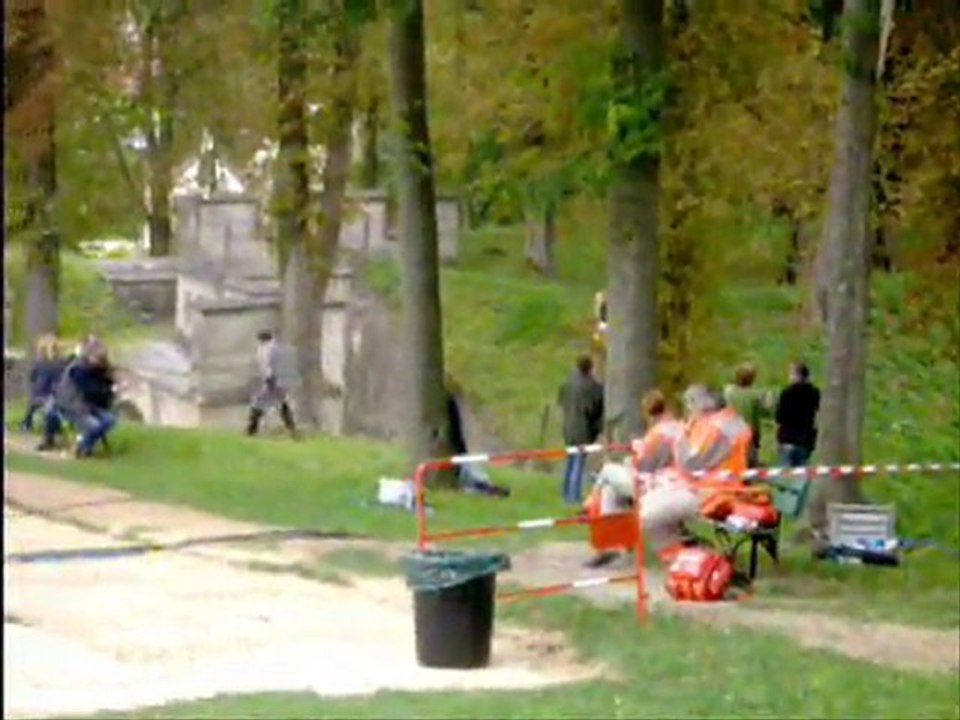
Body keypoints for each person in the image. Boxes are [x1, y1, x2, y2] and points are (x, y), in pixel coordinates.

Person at [584, 389, 685, 568]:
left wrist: (637, 451)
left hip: (655, 485)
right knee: (611, 491)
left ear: (647, 413)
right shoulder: (679, 427)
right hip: (674, 482)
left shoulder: (657, 434)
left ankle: (592, 502)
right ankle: (615, 544)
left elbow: (644, 465)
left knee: (608, 471)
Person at [40, 339, 119, 457]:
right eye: (97, 358)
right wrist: (109, 390)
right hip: (71, 405)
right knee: (93, 425)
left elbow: (103, 386)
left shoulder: (99, 369)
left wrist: (111, 387)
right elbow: (90, 390)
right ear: (89, 356)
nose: (100, 362)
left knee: (110, 420)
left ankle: (85, 445)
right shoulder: (78, 370)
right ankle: (82, 447)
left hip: (88, 405)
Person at [445, 375, 509, 498]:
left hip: (458, 450)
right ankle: (485, 488)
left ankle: (486, 488)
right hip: (457, 450)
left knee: (469, 470)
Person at [557, 355, 604, 504]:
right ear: (590, 368)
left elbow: (561, 401)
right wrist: (597, 429)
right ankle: (573, 496)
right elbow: (596, 410)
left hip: (568, 427)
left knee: (570, 460)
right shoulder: (594, 388)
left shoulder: (568, 384)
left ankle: (566, 491)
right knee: (578, 462)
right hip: (583, 429)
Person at [246, 330, 299, 439]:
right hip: (280, 382)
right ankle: (292, 429)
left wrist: (269, 380)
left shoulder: (266, 349)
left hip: (273, 381)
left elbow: (267, 366)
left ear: (262, 340)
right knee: (282, 404)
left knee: (259, 403)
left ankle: (251, 430)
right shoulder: (278, 348)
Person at [723, 362, 775, 468]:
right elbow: (767, 412)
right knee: (749, 464)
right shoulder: (755, 395)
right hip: (749, 434)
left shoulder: (728, 391)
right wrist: (769, 399)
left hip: (730, 433)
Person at [775, 361, 821, 467]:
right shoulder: (814, 393)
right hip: (805, 440)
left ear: (798, 375)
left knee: (785, 473)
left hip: (787, 439)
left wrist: (778, 439)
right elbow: (817, 416)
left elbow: (779, 418)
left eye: (791, 374)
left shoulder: (786, 393)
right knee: (802, 473)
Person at [20, 334, 69, 433]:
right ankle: (54, 426)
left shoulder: (40, 363)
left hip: (41, 393)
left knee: (34, 404)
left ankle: (27, 424)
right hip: (56, 394)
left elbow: (32, 377)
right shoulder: (62, 362)